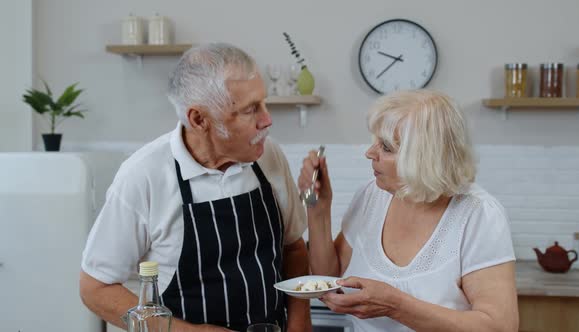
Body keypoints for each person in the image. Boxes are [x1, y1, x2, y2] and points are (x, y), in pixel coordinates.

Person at [80, 43, 311, 332]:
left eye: (264, 103)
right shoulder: (143, 175)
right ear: (199, 119)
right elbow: (95, 287)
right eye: (251, 109)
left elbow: (294, 249)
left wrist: (300, 323)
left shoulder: (268, 155)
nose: (267, 120)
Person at [298, 90, 518, 332]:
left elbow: (499, 326)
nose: (370, 153)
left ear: (425, 158)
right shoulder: (372, 195)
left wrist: (395, 306)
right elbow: (329, 277)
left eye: (386, 147)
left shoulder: (478, 215)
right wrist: (318, 210)